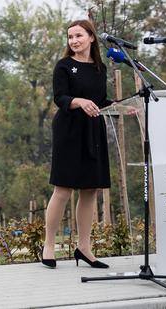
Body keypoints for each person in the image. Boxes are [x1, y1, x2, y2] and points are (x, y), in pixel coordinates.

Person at [42, 19, 111, 270]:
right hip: (69, 130)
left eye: (79, 36)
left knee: (90, 191)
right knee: (62, 190)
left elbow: (100, 101)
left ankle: (83, 248)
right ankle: (49, 245)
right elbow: (60, 98)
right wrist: (80, 101)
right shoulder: (64, 65)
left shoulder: (100, 68)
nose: (74, 41)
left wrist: (120, 107)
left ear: (92, 37)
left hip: (93, 130)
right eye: (70, 37)